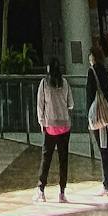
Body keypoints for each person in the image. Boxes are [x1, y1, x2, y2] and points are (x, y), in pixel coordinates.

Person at [34, 55, 73, 202]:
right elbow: (71, 104)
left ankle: (41, 190)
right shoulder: (65, 83)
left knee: (46, 158)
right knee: (63, 159)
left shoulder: (44, 83)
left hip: (50, 125)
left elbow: (40, 105)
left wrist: (41, 122)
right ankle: (62, 192)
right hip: (64, 125)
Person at [86, 40, 108, 193]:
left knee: (102, 149)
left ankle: (107, 183)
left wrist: (89, 116)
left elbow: (89, 95)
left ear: (93, 57)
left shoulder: (92, 72)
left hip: (98, 115)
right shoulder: (105, 71)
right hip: (107, 114)